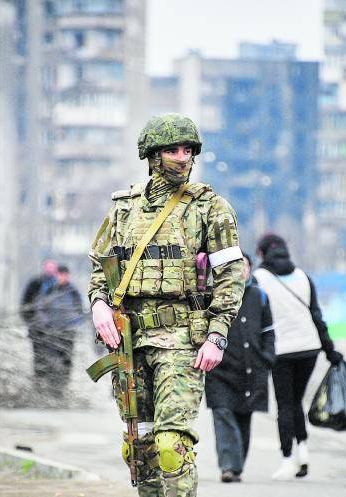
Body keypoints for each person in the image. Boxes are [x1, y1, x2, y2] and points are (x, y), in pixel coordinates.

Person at [88, 113, 245, 497]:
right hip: (129, 341)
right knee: (137, 446)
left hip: (181, 340)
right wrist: (98, 305)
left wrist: (218, 335)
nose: (182, 157)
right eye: (173, 149)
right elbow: (100, 267)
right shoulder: (124, 207)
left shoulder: (210, 207)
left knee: (171, 446)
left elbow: (231, 275)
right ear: (152, 155)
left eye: (188, 150)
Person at [252, 233, 344, 480]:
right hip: (309, 349)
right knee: (296, 402)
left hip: (280, 351)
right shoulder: (304, 277)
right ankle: (303, 453)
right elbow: (317, 316)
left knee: (285, 404)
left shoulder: (259, 278)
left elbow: (255, 316)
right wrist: (330, 351)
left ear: (261, 253)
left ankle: (287, 459)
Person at [205, 253, 275, 483]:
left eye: (244, 266)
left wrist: (267, 358)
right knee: (223, 414)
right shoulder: (214, 295)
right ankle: (228, 466)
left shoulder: (259, 296)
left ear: (250, 269)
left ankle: (237, 466)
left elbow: (269, 332)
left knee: (244, 418)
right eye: (236, 267)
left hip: (250, 370)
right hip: (220, 370)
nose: (241, 271)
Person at [35, 265, 84, 397]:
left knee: (67, 359)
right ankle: (52, 388)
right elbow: (40, 308)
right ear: (56, 275)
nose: (62, 277)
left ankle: (62, 388)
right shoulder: (49, 290)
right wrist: (46, 324)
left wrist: (73, 323)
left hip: (68, 333)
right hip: (52, 332)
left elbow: (80, 310)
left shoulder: (73, 291)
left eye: (64, 275)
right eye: (60, 274)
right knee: (51, 359)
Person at [21, 259, 58, 381]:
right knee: (38, 356)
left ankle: (53, 383)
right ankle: (39, 381)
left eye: (52, 267)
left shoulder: (60, 285)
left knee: (55, 355)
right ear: (44, 268)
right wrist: (30, 322)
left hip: (56, 330)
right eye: (48, 267)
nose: (50, 270)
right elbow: (25, 305)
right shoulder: (34, 284)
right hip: (37, 328)